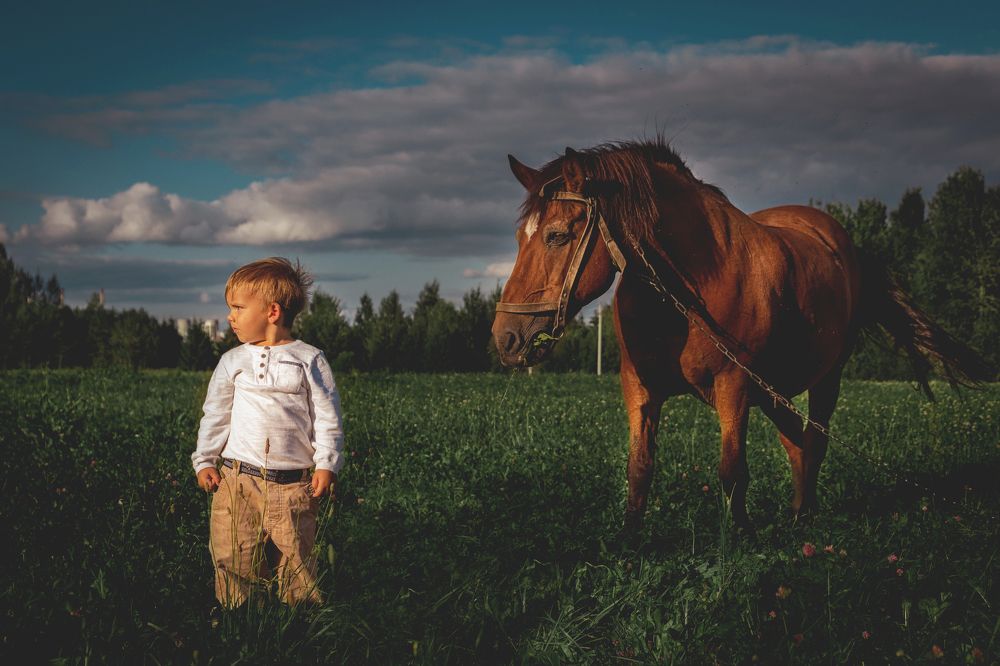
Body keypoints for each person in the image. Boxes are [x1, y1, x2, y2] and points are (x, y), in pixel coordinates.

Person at [192, 257, 344, 607]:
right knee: (234, 556)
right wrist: (205, 460)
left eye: (238, 308)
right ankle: (240, 618)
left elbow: (327, 417)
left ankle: (299, 619)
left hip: (293, 486)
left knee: (297, 562)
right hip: (237, 481)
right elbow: (215, 414)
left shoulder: (309, 359)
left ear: (272, 312)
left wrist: (327, 463)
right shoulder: (232, 361)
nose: (230, 316)